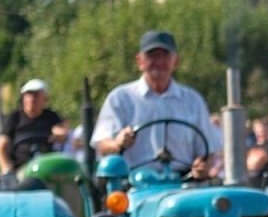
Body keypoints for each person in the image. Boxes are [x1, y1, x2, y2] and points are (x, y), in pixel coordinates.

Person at [92, 31, 220, 177]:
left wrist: (202, 167)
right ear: (139, 61)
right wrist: (117, 144)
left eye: (165, 56)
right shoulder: (121, 98)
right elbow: (101, 144)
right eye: (152, 56)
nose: (159, 62)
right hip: (134, 183)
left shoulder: (193, 101)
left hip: (183, 181)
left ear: (175, 62)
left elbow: (208, 151)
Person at [0, 79, 67, 180]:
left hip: (47, 167)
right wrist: (5, 167)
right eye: (28, 95)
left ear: (45, 99)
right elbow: (1, 146)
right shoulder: (15, 118)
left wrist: (60, 134)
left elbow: (61, 131)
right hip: (21, 169)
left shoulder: (51, 117)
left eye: (36, 95)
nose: (31, 99)